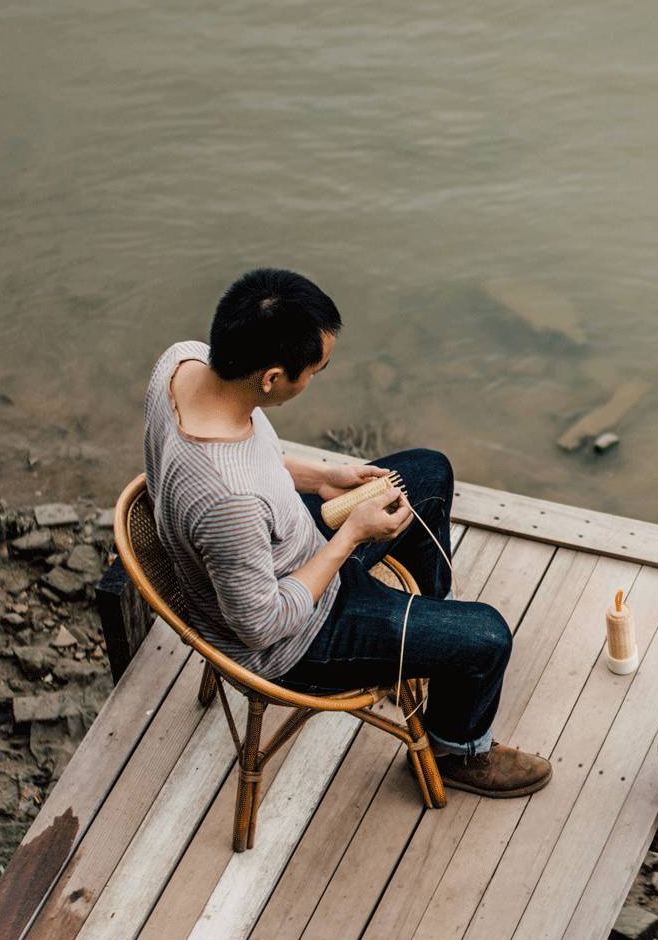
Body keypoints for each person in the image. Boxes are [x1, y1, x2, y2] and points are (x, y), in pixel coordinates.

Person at [141, 266, 551, 798]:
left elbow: (254, 457)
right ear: (271, 379)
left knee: (428, 474)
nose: (316, 378)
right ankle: (458, 750)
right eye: (315, 370)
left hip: (281, 548)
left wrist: (324, 477)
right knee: (488, 637)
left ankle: (429, 647)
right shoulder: (229, 502)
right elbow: (262, 625)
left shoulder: (184, 362)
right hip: (297, 637)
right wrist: (350, 536)